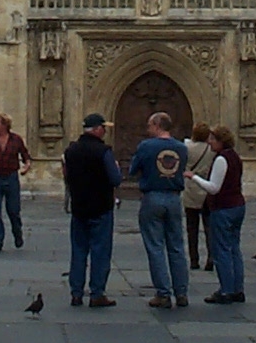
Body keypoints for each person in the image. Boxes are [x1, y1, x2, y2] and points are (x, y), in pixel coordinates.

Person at [129, 111, 190, 309]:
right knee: (177, 246)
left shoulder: (146, 146)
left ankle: (163, 293)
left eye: (149, 125)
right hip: (174, 197)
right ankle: (181, 292)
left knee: (155, 246)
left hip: (153, 196)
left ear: (157, 125)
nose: (148, 129)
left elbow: (132, 170)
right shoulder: (182, 148)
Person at [62, 113, 121, 307]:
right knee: (100, 251)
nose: (105, 132)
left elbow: (67, 175)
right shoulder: (103, 151)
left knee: (78, 251)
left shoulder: (71, 150)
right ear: (96, 129)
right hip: (101, 207)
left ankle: (76, 293)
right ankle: (97, 293)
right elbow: (115, 179)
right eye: (103, 128)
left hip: (79, 207)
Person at [191, 124, 247, 306]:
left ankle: (226, 290)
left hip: (224, 208)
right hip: (237, 205)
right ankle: (237, 289)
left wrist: (193, 177)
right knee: (234, 248)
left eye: (213, 139)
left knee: (221, 249)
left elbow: (214, 188)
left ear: (221, 141)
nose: (210, 142)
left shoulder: (221, 159)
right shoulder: (235, 157)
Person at [0, 114, 32, 251]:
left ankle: (17, 232)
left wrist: (26, 166)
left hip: (11, 177)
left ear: (5, 125)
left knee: (13, 210)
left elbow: (25, 155)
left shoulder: (16, 140)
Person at [183, 123, 214, 271]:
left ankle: (194, 259)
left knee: (192, 227)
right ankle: (211, 257)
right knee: (209, 227)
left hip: (191, 188)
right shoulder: (211, 149)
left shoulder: (187, 147)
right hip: (206, 188)